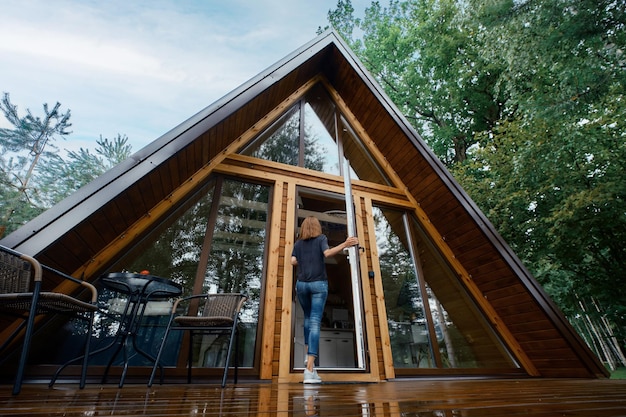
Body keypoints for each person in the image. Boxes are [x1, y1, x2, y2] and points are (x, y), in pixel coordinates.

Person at [291, 216, 359, 384]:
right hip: (318, 284)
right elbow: (327, 253)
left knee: (307, 320)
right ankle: (308, 370)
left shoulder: (298, 244)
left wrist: (305, 260)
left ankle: (311, 366)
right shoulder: (321, 239)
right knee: (314, 322)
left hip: (302, 285)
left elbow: (293, 261)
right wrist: (345, 244)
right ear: (317, 227)